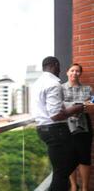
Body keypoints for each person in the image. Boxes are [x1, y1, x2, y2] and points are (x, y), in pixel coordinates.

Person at [31, 56, 85, 191]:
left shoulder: (37, 83)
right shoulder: (53, 83)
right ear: (55, 65)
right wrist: (77, 108)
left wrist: (68, 107)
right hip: (56, 130)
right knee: (63, 171)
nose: (60, 70)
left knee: (61, 170)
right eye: (60, 67)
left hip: (43, 129)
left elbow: (49, 107)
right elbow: (55, 115)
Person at [62, 63, 93, 191]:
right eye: (72, 70)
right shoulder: (59, 88)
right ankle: (74, 186)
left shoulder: (88, 89)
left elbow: (91, 105)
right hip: (65, 127)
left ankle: (85, 188)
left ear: (80, 74)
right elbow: (59, 106)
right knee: (68, 158)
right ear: (67, 72)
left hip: (84, 126)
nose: (75, 73)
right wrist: (80, 105)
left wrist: (73, 107)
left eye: (78, 71)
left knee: (84, 157)